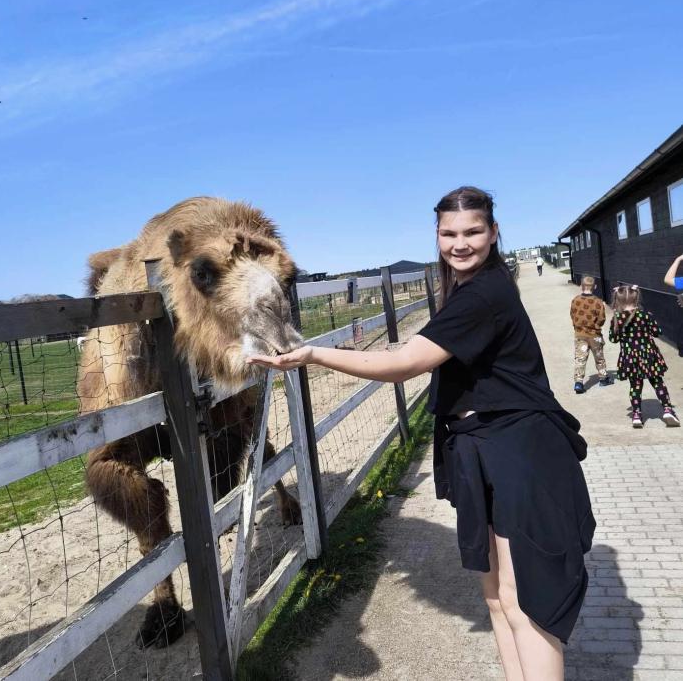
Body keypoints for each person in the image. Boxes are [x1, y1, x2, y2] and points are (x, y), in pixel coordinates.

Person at [249, 186, 594, 681]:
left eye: (473, 231)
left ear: (494, 233)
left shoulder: (484, 292)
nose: (461, 243)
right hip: (485, 449)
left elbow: (405, 365)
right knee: (497, 599)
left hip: (519, 452)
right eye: (449, 233)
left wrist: (312, 354)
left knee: (528, 605)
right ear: (436, 235)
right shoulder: (466, 289)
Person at [608, 285, 680, 428]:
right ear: (636, 299)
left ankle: (637, 414)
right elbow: (657, 331)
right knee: (657, 381)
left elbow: (613, 339)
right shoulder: (645, 315)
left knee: (635, 385)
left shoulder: (617, 318)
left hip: (630, 358)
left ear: (618, 301)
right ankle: (667, 409)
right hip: (649, 356)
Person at [570, 275, 613, 393]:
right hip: (595, 335)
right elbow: (602, 319)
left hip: (580, 335)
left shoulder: (575, 300)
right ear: (595, 286)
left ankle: (578, 383)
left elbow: (572, 316)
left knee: (580, 359)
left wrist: (577, 328)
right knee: (599, 357)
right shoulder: (598, 302)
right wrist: (596, 326)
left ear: (580, 286)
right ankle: (603, 378)